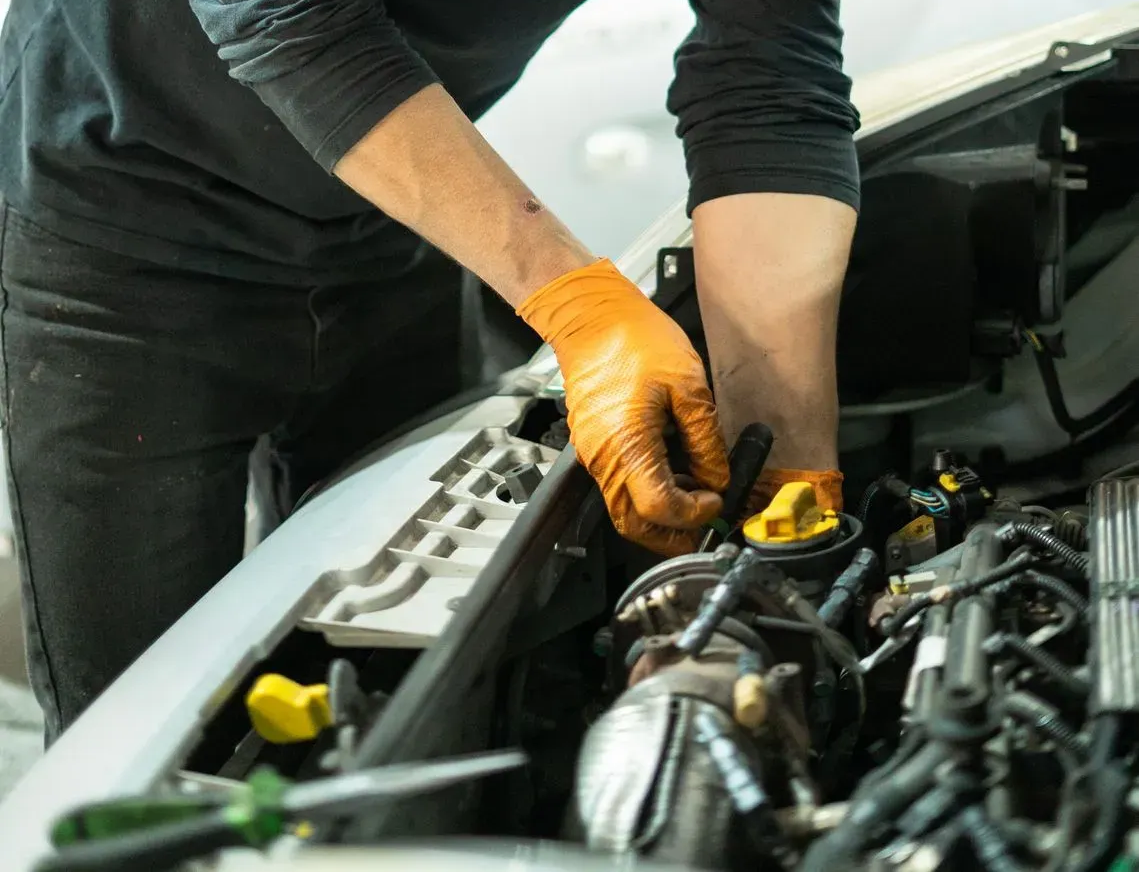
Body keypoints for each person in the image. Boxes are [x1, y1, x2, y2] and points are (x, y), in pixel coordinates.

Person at [0, 0, 859, 741]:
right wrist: (576, 304)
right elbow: (292, 20)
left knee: (403, 686)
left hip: (392, 221)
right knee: (144, 738)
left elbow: (770, 90)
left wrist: (786, 468)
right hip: (118, 235)